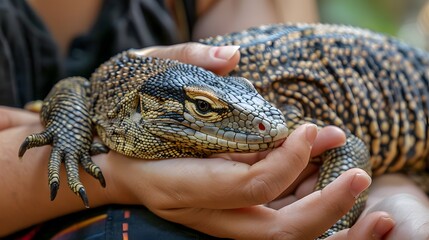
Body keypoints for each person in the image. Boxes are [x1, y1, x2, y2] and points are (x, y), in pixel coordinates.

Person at [0, 0, 427, 239]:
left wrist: (372, 206)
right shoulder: (108, 99)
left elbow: (346, 146)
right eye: (203, 108)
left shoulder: (247, 67)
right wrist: (116, 176)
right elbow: (75, 90)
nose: (265, 126)